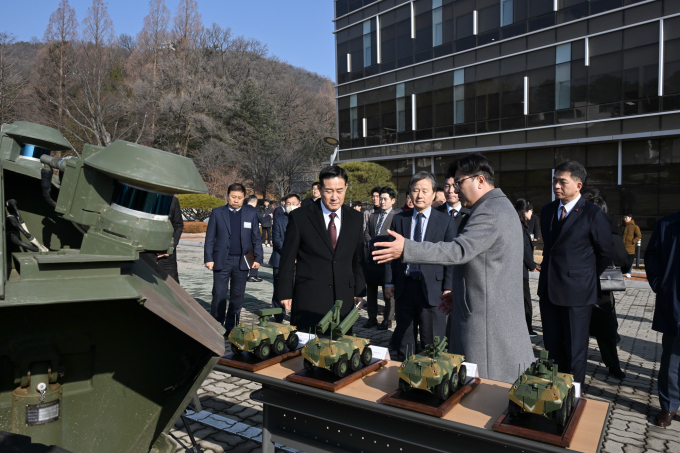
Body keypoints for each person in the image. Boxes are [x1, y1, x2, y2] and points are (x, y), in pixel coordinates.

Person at [373, 154, 535, 383]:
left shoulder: (489, 211)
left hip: (487, 325)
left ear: (480, 180)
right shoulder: (496, 206)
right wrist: (458, 295)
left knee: (484, 390)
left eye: (459, 182)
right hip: (486, 312)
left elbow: (458, 251)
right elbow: (484, 265)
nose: (455, 190)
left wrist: (407, 249)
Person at [537, 161, 613, 384]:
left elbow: (605, 254)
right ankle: (554, 394)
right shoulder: (549, 210)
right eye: (555, 180)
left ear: (578, 185)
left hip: (577, 294)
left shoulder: (593, 214)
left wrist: (584, 276)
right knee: (552, 347)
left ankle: (574, 397)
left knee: (575, 351)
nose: (557, 186)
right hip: (549, 290)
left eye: (563, 181)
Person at [277, 166, 366, 333]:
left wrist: (359, 290)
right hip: (310, 297)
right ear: (319, 189)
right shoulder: (300, 217)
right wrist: (284, 292)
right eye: (329, 191)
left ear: (346, 188)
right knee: (307, 349)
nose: (334, 197)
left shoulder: (355, 218)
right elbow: (287, 259)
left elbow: (357, 257)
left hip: (343, 298)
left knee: (340, 350)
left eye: (339, 190)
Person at [384, 173, 455, 360]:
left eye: (425, 191)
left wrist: (448, 288)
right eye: (415, 190)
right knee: (403, 337)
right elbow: (390, 253)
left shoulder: (446, 221)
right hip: (405, 285)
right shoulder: (400, 219)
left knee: (432, 340)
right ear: (409, 194)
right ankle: (403, 372)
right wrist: (389, 282)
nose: (420, 195)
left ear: (433, 194)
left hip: (433, 289)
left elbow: (451, 258)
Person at [205, 183, 263, 335]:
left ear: (244, 198)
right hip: (221, 259)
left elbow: (256, 238)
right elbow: (210, 237)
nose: (236, 200)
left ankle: (232, 327)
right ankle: (216, 326)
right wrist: (209, 258)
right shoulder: (218, 212)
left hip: (242, 260)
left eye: (239, 198)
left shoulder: (251, 214)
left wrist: (258, 258)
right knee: (219, 293)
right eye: (233, 197)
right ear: (227, 196)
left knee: (238, 295)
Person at [584, 194, 628, 380]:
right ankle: (613, 365)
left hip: (584, 286)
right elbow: (624, 263)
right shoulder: (611, 232)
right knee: (606, 331)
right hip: (601, 289)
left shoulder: (581, 229)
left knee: (581, 329)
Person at [645, 209, 680, 427]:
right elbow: (652, 255)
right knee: (672, 357)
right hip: (675, 299)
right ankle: (669, 406)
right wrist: (661, 285)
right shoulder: (668, 224)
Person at [363, 187, 401, 330]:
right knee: (371, 290)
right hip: (372, 258)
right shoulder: (373, 215)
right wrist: (370, 243)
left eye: (385, 199)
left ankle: (388, 319)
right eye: (380, 198)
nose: (382, 201)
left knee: (388, 290)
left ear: (393, 200)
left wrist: (380, 244)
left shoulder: (397, 217)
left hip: (387, 258)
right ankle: (371, 318)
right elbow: (366, 232)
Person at [269, 193, 301, 323]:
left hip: (299, 262)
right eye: (288, 203)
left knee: (297, 290)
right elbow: (277, 240)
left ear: (299, 204)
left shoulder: (304, 220)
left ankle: (296, 317)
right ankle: (278, 316)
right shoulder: (278, 219)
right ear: (284, 204)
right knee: (279, 289)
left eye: (294, 203)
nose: (291, 206)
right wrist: (290, 255)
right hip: (281, 259)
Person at [515, 199, 539, 337]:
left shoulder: (520, 225)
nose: (532, 214)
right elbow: (523, 249)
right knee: (525, 300)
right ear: (525, 211)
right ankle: (527, 329)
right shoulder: (519, 226)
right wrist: (532, 265)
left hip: (521, 268)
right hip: (520, 270)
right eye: (530, 211)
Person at [155, 195, 183, 283]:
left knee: (173, 289)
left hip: (167, 256)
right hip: (144, 256)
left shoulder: (173, 200)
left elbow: (178, 225)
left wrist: (170, 247)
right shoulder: (141, 196)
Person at [245, 195, 271, 283]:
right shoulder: (255, 210)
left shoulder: (241, 209)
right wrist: (269, 216)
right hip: (254, 236)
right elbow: (261, 220)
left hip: (243, 236)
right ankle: (252, 275)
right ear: (255, 202)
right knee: (256, 255)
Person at [621, 213, 641, 278]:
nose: (625, 219)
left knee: (629, 260)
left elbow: (639, 236)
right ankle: (622, 271)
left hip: (630, 247)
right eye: (624, 217)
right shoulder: (622, 226)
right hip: (622, 246)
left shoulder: (635, 227)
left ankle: (629, 272)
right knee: (622, 260)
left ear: (630, 218)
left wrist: (633, 241)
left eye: (626, 217)